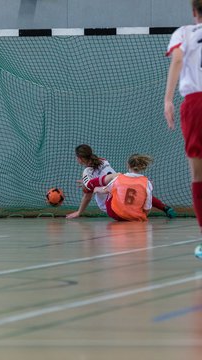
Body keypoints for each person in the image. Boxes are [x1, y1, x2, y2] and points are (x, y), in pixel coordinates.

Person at [164, 0, 202, 234]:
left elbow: (177, 59)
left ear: (193, 11)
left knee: (198, 173)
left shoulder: (184, 32)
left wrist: (168, 99)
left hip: (196, 103)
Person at [66, 144, 177, 219]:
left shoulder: (87, 172)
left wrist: (79, 212)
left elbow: (88, 195)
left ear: (79, 158)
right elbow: (99, 176)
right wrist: (89, 183)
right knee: (141, 192)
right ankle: (165, 207)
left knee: (104, 189)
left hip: (112, 204)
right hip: (122, 192)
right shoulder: (103, 161)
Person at [88, 154, 153, 221]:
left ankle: (122, 211)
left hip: (116, 214)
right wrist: (143, 215)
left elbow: (105, 190)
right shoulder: (147, 182)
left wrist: (96, 189)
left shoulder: (119, 178)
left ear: (127, 165)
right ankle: (133, 214)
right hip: (135, 216)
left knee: (111, 191)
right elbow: (148, 205)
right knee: (144, 196)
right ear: (142, 166)